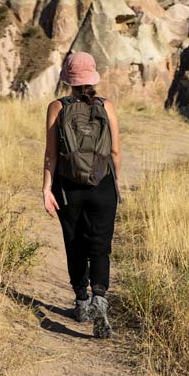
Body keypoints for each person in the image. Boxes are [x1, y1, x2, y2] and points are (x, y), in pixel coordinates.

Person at [42, 51, 121, 339]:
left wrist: (46, 188)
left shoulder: (57, 106)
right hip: (103, 185)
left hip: (68, 187)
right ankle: (100, 298)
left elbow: (51, 154)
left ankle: (81, 301)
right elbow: (115, 152)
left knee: (74, 242)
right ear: (92, 77)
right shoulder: (107, 106)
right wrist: (115, 183)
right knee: (100, 244)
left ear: (69, 80)